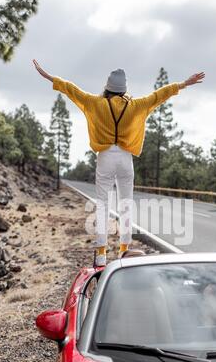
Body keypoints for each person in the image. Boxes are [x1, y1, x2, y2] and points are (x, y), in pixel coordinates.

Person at [33, 59, 205, 266]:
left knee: (103, 204)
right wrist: (184, 83)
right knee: (126, 204)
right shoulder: (136, 106)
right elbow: (160, 95)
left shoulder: (95, 103)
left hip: (105, 156)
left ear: (107, 87)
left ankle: (101, 253)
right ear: (124, 89)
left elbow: (71, 89)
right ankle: (124, 249)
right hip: (125, 158)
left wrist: (49, 76)